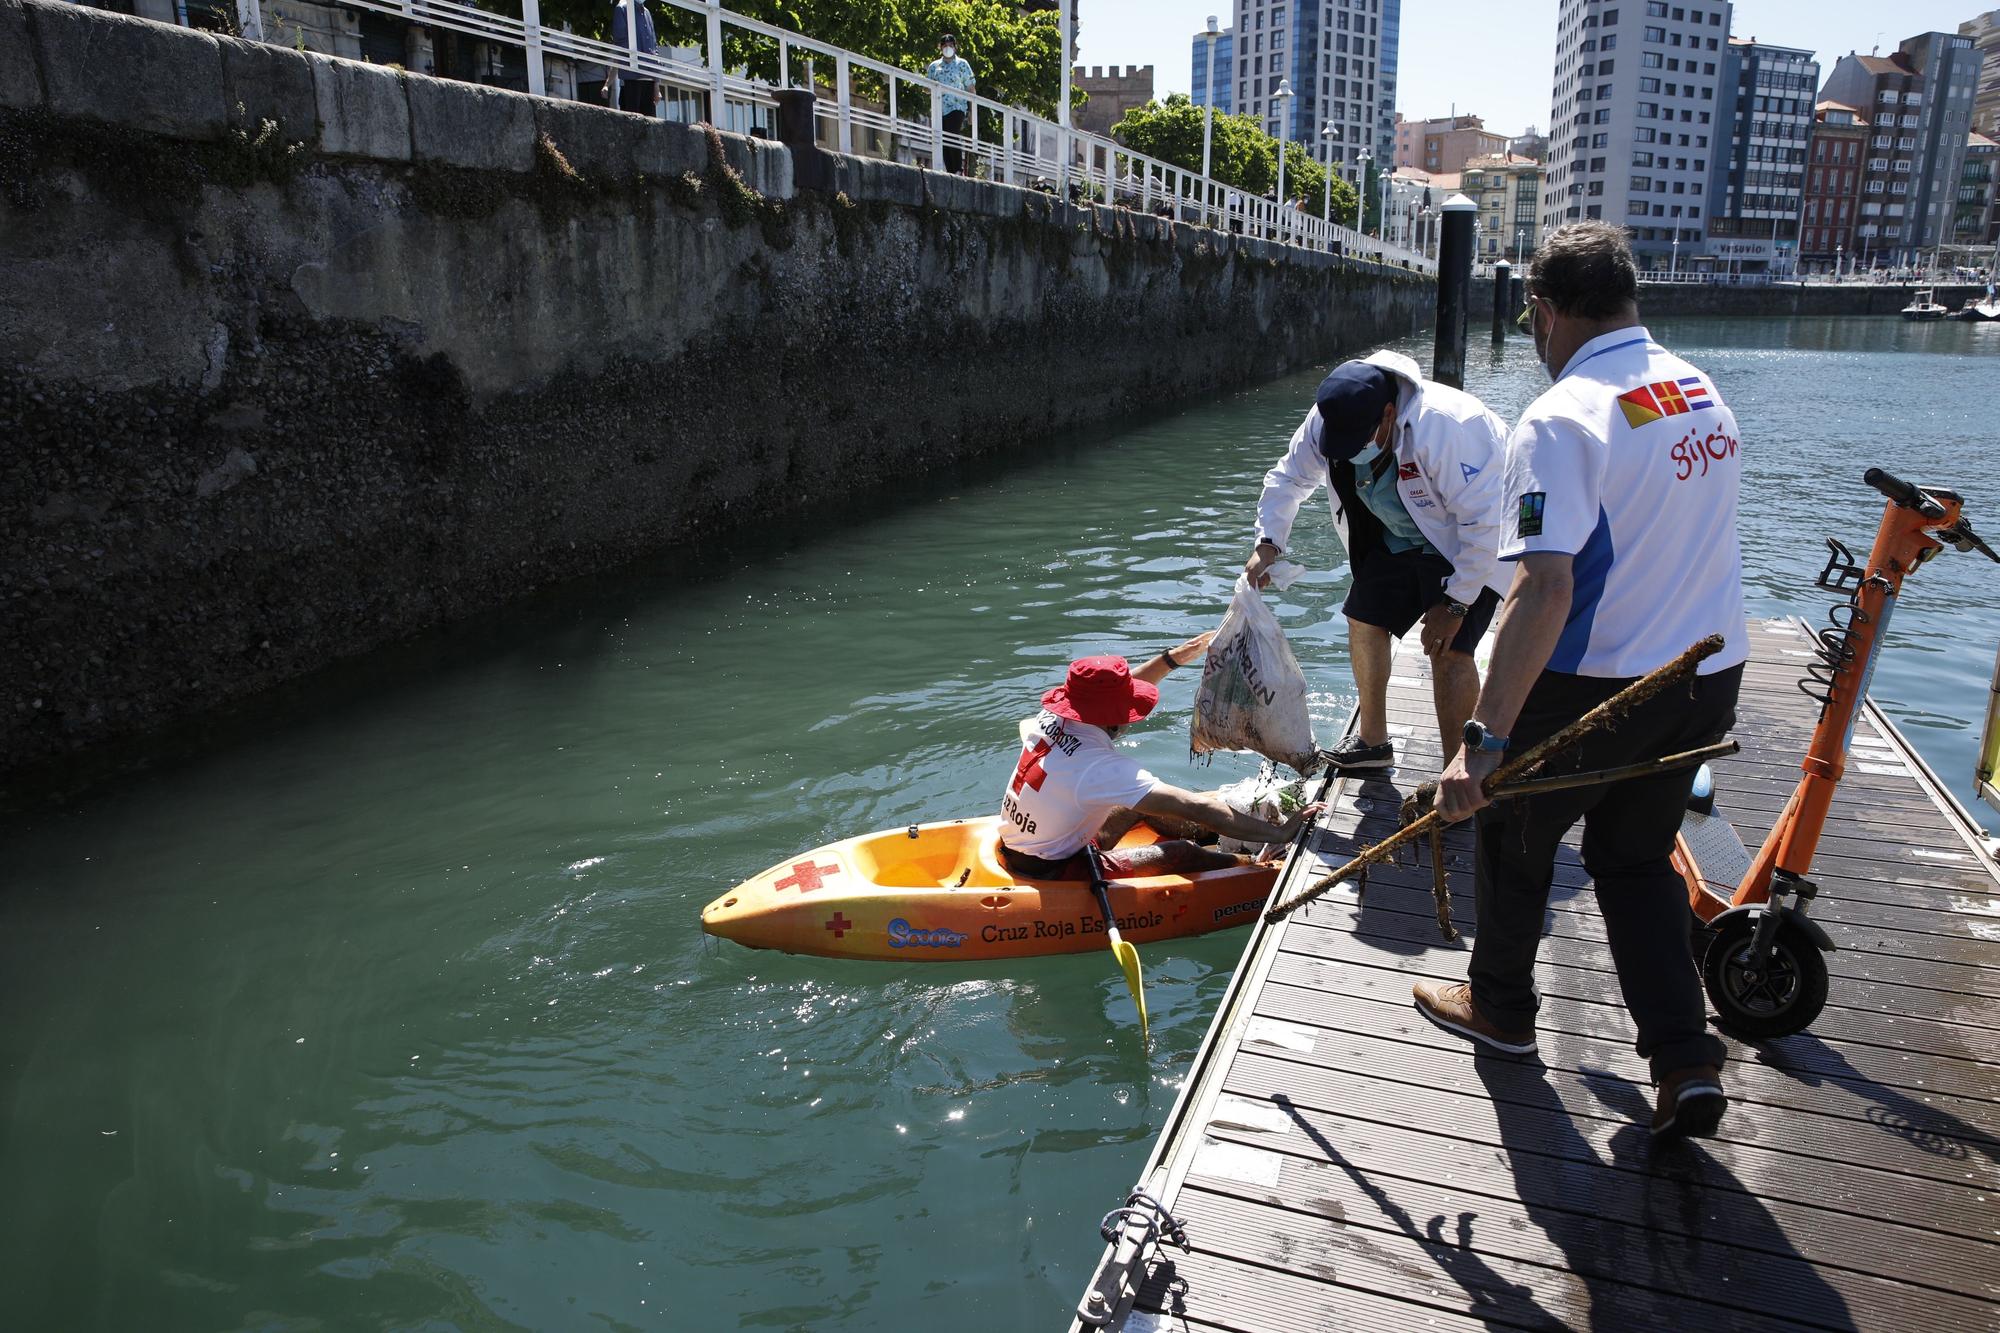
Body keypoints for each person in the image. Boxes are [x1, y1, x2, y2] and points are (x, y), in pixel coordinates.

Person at [1423, 220, 1748, 1141]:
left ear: (1545, 310)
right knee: (1636, 859)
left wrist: (1480, 745)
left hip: (1598, 684)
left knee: (1512, 840)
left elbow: (1543, 586)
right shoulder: (1698, 390)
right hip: (1704, 675)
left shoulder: (1562, 417)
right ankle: (1684, 1058)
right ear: (1632, 297)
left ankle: (1501, 1008)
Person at [1246, 353, 1511, 771]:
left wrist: (1456, 604)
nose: (1351, 452)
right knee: (1363, 617)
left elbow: (1484, 525)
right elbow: (1289, 478)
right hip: (1398, 536)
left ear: (1388, 414)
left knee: (1450, 650)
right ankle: (1373, 743)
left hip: (1466, 543)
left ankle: (1458, 773)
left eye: (1358, 443)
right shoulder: (1329, 418)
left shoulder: (1447, 426)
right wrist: (1268, 543)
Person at [997, 635, 1324, 881]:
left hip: (1025, 840)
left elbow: (1115, 690)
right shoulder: (1100, 768)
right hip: (1054, 866)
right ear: (1113, 717)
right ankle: (1255, 866)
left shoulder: (1049, 719)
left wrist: (1174, 658)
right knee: (1179, 854)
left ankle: (1224, 836)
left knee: (1132, 803)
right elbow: (1194, 806)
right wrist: (1280, 834)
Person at [926, 33, 976, 175]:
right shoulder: (934, 66)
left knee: (952, 134)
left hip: (957, 106)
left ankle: (958, 168)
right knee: (943, 137)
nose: (948, 47)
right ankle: (950, 170)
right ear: (940, 47)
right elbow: (927, 87)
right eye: (945, 45)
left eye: (950, 45)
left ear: (955, 47)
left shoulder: (962, 64)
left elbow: (971, 87)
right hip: (939, 108)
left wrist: (972, 111)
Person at [608, 0, 662, 117]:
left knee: (650, 125)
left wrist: (656, 83)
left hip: (648, 79)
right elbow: (621, 44)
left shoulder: (646, 12)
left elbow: (653, 47)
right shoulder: (622, 8)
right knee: (631, 124)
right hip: (632, 79)